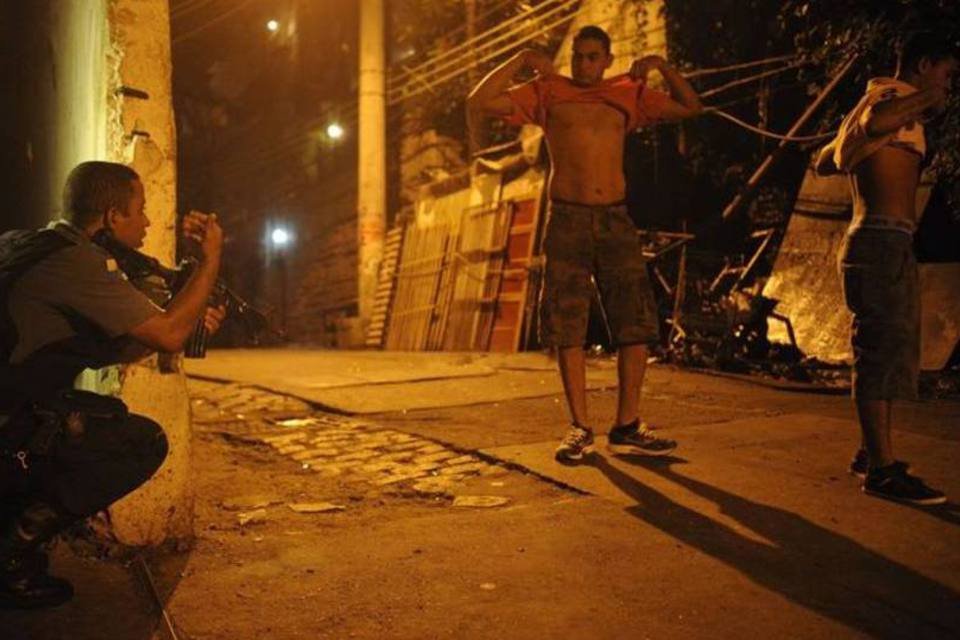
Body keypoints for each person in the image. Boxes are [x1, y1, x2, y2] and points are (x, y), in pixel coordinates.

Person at [467, 26, 703, 462]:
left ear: (608, 59)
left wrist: (660, 67)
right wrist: (521, 58)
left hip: (615, 216)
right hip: (568, 219)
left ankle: (627, 425)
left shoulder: (627, 94)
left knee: (635, 322)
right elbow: (479, 101)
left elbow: (691, 107)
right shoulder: (548, 92)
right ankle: (580, 427)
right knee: (567, 323)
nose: (583, 64)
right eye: (578, 56)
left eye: (593, 56)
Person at [0, 161, 226, 608]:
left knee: (104, 417)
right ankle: (12, 552)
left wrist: (181, 312)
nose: (147, 222)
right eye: (140, 210)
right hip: (7, 426)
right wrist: (210, 261)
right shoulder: (79, 261)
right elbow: (168, 333)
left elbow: (96, 344)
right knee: (139, 441)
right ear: (111, 215)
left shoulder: (24, 243)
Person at [815, 32, 956, 505]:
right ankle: (882, 470)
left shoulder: (882, 103)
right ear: (922, 64)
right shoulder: (890, 97)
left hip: (887, 241)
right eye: (945, 74)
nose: (949, 84)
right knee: (879, 353)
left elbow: (825, 160)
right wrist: (926, 99)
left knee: (891, 352)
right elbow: (878, 120)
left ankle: (871, 451)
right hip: (877, 239)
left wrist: (850, 147)